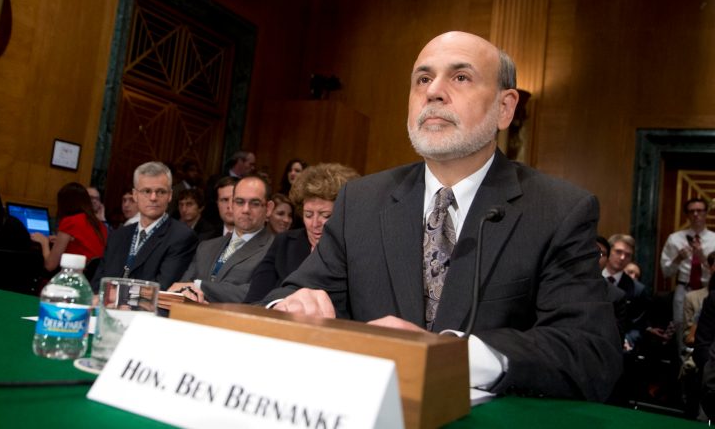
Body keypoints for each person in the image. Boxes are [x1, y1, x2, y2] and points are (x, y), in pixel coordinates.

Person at [265, 31, 621, 401]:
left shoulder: (558, 210)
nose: (433, 92)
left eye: (460, 77)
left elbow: (591, 353)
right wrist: (290, 307)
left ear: (505, 108)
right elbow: (291, 294)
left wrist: (454, 355)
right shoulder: (362, 201)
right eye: (423, 79)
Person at [246, 163, 359, 303]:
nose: (315, 223)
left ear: (344, 214)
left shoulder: (356, 251)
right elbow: (253, 301)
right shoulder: (284, 243)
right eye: (308, 214)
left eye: (326, 215)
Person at [91, 162, 198, 291]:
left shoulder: (181, 237)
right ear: (135, 195)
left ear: (170, 195)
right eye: (146, 191)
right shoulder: (118, 235)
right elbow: (97, 284)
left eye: (160, 192)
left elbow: (162, 288)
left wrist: (118, 298)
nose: (153, 198)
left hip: (145, 310)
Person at [168, 174, 274, 303]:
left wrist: (200, 286)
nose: (246, 209)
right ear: (232, 205)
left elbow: (255, 293)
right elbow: (182, 286)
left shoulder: (275, 249)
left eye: (255, 203)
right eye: (239, 202)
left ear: (268, 209)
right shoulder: (206, 247)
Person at [661, 198, 715, 343]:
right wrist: (678, 258)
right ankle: (683, 364)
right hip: (683, 288)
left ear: (706, 213)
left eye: (700, 211)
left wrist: (702, 257)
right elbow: (666, 272)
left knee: (709, 327)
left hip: (708, 290)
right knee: (681, 329)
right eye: (692, 211)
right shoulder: (674, 239)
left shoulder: (714, 239)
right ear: (687, 215)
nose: (696, 214)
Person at [30, 182, 108, 272]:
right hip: (92, 280)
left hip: (73, 278)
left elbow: (50, 265)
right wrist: (60, 240)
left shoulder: (70, 221)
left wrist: (44, 242)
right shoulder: (101, 225)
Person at [601, 234, 650, 352]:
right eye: (618, 252)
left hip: (618, 349)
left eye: (628, 255)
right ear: (608, 251)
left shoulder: (637, 290)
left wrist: (627, 340)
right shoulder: (589, 280)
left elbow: (638, 327)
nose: (622, 257)